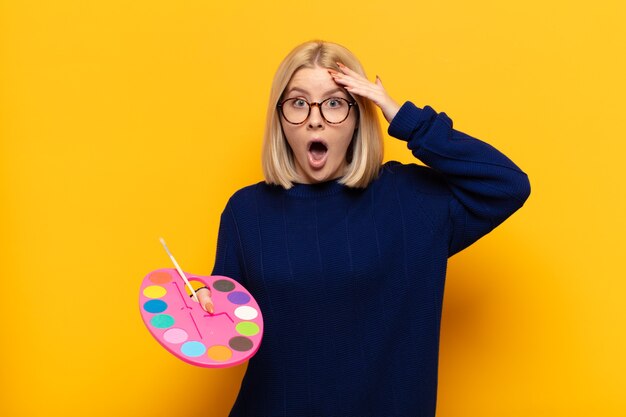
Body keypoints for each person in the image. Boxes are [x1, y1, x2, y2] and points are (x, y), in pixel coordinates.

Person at [197, 40, 530, 417]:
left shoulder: (412, 200)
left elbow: (507, 185)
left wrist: (403, 116)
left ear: (358, 117)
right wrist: (197, 308)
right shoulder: (247, 211)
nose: (315, 119)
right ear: (280, 117)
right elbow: (223, 316)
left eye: (335, 103)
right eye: (298, 103)